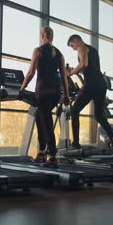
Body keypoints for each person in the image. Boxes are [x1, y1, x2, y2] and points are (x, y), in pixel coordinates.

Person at [20, 26, 70, 168]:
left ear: (42, 35)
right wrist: (65, 95)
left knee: (46, 123)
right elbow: (64, 77)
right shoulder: (59, 53)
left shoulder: (38, 50)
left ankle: (53, 156)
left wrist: (21, 89)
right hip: (55, 93)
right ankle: (42, 153)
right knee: (40, 119)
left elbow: (30, 73)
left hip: (43, 92)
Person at [66, 34, 113, 150]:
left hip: (91, 84)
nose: (73, 48)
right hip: (101, 84)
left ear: (76, 40)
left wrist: (70, 73)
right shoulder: (92, 49)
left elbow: (83, 64)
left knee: (74, 111)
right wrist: (74, 70)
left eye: (72, 45)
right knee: (99, 116)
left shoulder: (81, 47)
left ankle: (76, 144)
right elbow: (88, 67)